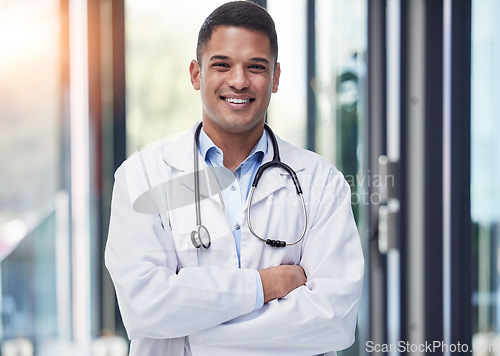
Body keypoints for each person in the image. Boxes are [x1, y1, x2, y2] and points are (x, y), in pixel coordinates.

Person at [105, 1, 364, 355]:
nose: (239, 81)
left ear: (275, 78)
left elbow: (334, 319)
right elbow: (144, 307)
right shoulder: (142, 177)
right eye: (222, 65)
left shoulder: (321, 181)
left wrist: (193, 337)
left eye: (255, 67)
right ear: (196, 74)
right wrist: (266, 284)